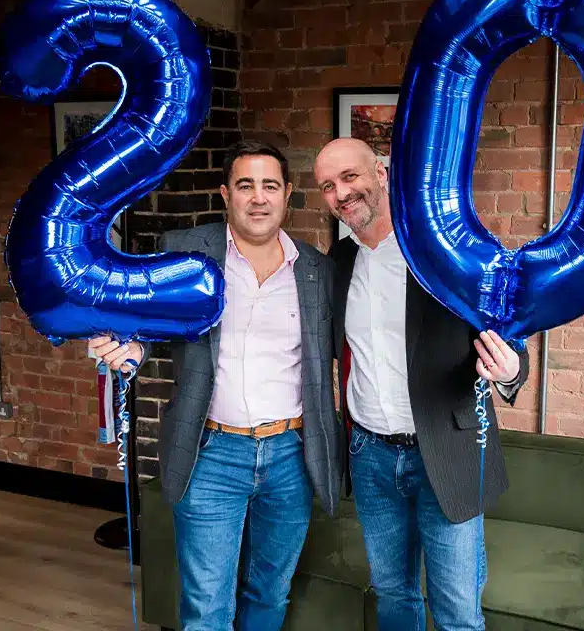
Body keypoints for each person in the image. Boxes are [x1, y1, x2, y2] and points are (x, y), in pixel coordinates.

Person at [90, 140, 342, 631]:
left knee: (270, 593)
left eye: (270, 185)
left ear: (287, 194)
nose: (258, 198)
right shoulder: (183, 251)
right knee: (207, 607)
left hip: (293, 453)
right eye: (245, 185)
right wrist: (133, 347)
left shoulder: (316, 269)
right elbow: (152, 324)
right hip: (212, 452)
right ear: (226, 194)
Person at [314, 137, 529, 631]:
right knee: (394, 596)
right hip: (370, 455)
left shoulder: (445, 255)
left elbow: (508, 338)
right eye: (328, 186)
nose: (342, 193)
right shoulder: (339, 261)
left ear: (382, 174)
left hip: (447, 453)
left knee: (456, 613)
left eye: (351, 177)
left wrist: (511, 371)